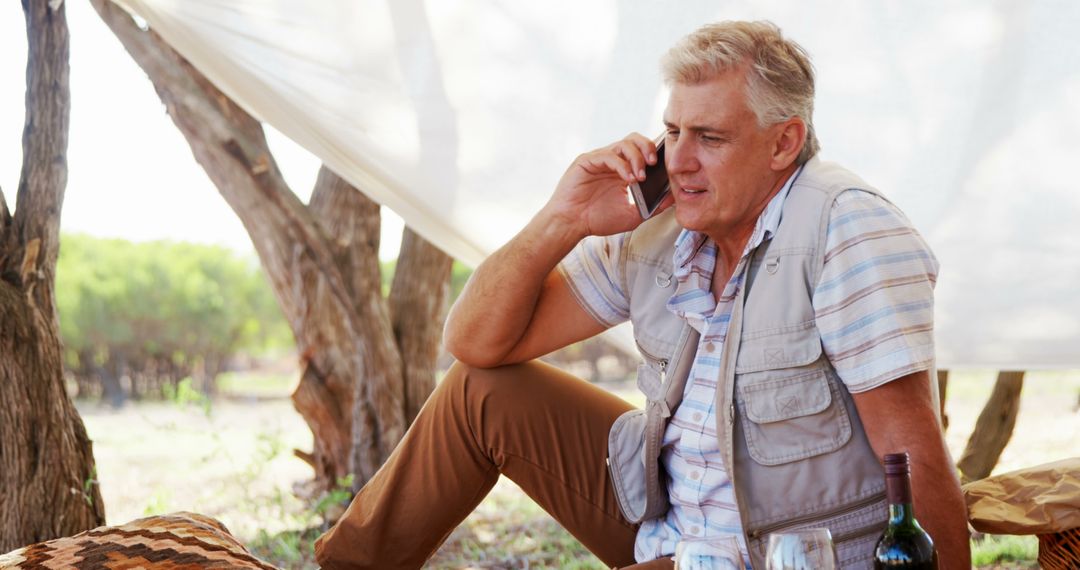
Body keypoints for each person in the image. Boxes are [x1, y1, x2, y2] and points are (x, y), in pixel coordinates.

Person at [314, 20, 971, 569]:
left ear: (785, 142)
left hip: (784, 554)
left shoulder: (847, 228)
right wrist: (562, 218)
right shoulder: (659, 228)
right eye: (673, 131)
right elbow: (476, 342)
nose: (679, 160)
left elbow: (913, 453)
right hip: (669, 524)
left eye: (709, 138)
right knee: (479, 392)